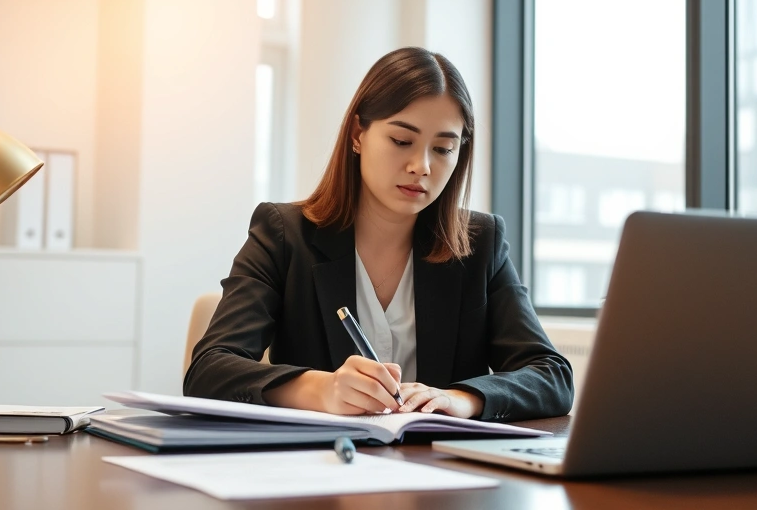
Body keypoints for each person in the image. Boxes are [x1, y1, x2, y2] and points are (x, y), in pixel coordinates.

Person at [184, 47, 573, 421]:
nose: (421, 166)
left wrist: (461, 399)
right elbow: (209, 369)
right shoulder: (285, 235)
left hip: (442, 474)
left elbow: (551, 375)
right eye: (402, 141)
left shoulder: (480, 242)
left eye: (442, 149)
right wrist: (322, 389)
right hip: (318, 469)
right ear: (358, 134)